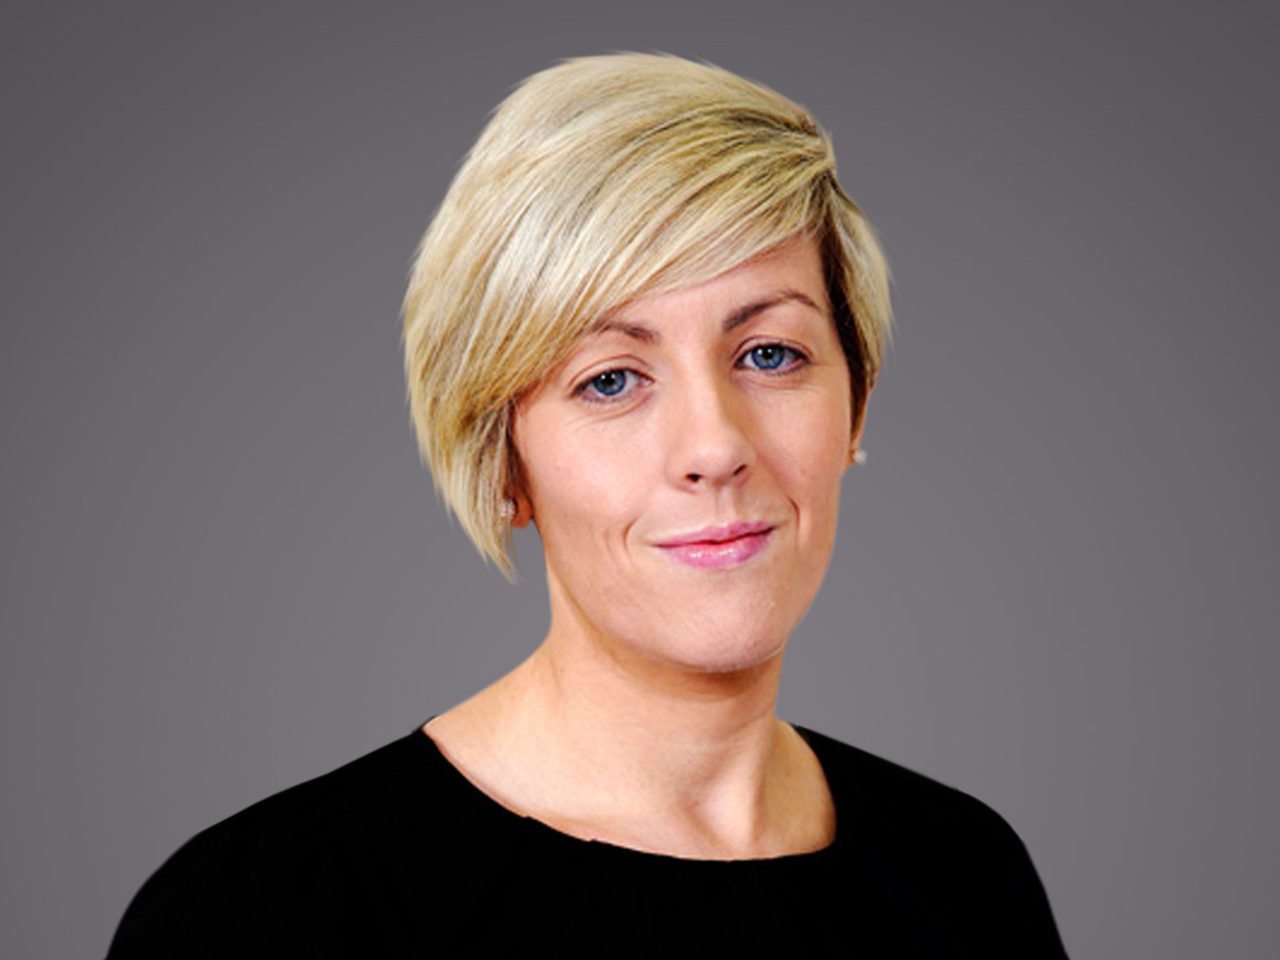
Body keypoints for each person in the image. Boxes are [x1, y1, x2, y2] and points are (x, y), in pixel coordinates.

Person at [107, 53, 1068, 957]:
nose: (716, 448)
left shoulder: (967, 876)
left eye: (769, 354)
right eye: (611, 380)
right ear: (503, 463)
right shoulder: (262, 916)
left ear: (856, 402)